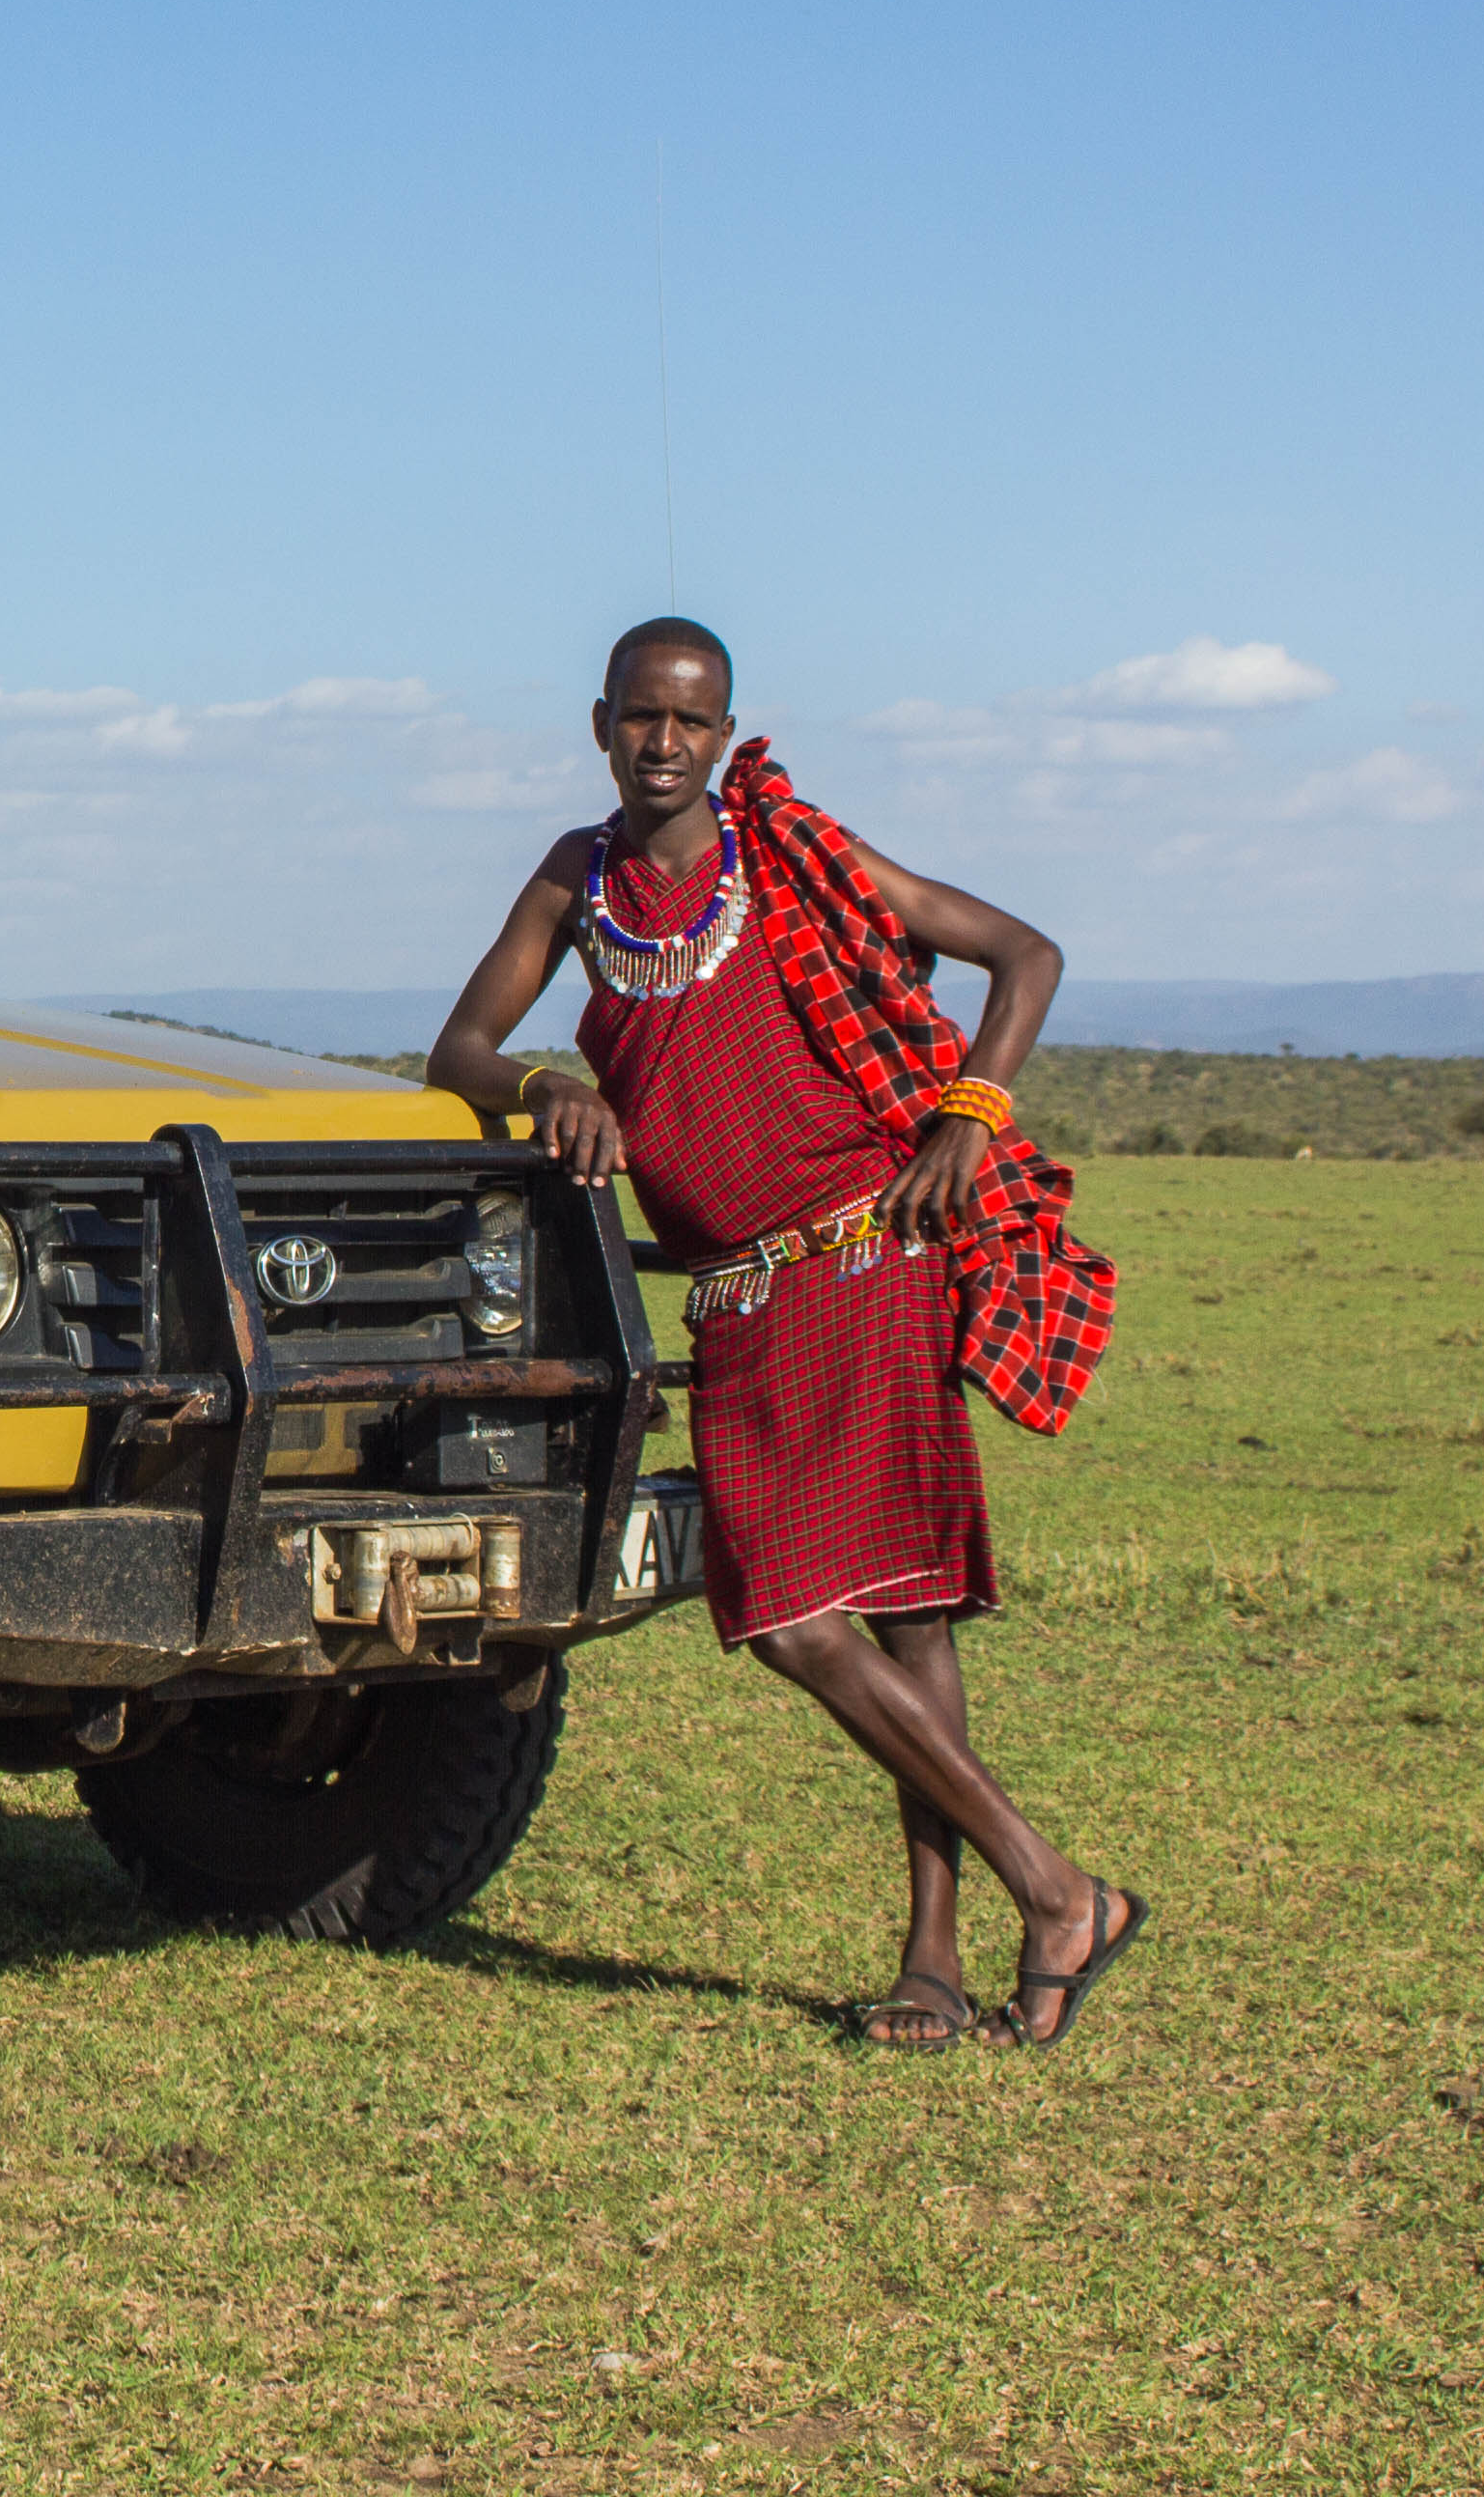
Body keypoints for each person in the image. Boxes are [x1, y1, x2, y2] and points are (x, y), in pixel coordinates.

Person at [427, 618, 1148, 2048]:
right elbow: (455, 1047)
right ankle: (952, 1956)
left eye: (692, 721)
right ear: (599, 724)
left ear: (726, 728)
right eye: (642, 717)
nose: (665, 744)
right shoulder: (578, 881)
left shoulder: (794, 853)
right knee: (857, 1618)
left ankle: (1041, 1896)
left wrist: (970, 1112)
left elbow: (1023, 954)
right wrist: (546, 1082)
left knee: (836, 1616)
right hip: (739, 1293)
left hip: (867, 1257)